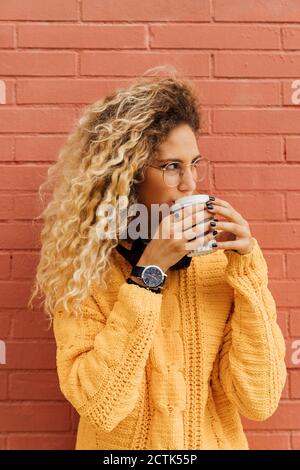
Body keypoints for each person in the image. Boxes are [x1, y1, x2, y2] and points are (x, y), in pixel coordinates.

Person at [28, 67, 287, 450]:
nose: (190, 183)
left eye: (194, 164)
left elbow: (260, 400)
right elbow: (101, 405)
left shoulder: (218, 263)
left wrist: (248, 271)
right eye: (171, 167)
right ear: (128, 174)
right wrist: (149, 274)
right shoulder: (85, 269)